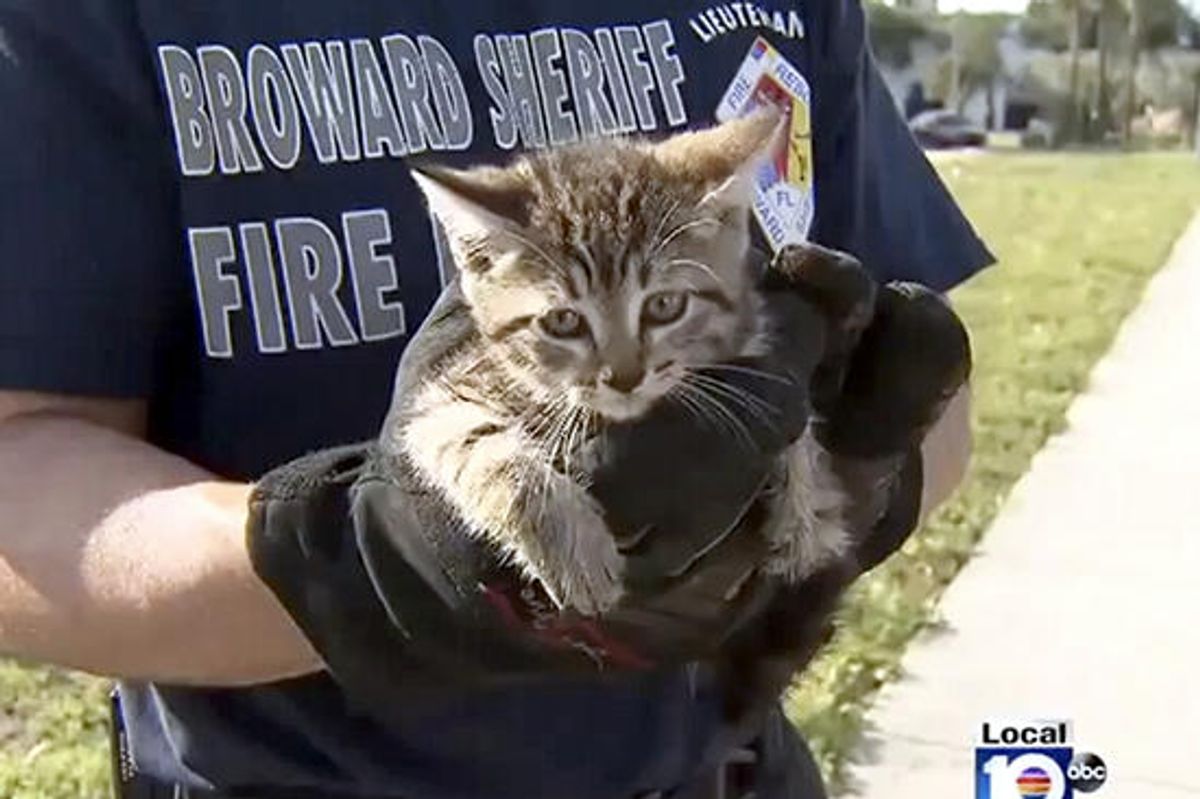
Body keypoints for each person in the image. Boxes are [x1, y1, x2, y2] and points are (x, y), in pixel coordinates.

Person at [0, 0, 990, 797]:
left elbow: (926, 378)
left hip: (724, 768)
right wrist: (370, 569)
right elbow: (20, 469)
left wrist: (867, 477)